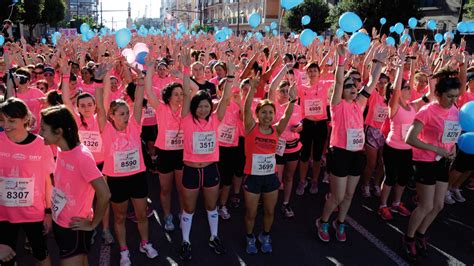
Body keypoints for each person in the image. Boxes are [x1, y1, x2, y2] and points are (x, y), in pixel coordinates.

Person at [316, 43, 387, 243]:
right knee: (337, 196)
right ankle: (323, 221)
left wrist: (379, 62)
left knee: (348, 195)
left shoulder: (360, 104)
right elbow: (339, 83)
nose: (353, 88)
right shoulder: (337, 105)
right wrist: (341, 61)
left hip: (357, 154)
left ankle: (341, 222)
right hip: (339, 153)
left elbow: (372, 82)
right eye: (349, 87)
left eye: (354, 86)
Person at [95, 64, 159, 265]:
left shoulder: (135, 125)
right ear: (111, 116)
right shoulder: (105, 128)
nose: (125, 116)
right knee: (120, 217)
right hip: (116, 180)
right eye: (120, 113)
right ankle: (124, 250)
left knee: (141, 215)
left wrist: (140, 80)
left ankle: (145, 243)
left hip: (137, 177)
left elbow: (139, 100)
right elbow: (99, 105)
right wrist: (99, 82)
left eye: (126, 112)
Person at [39, 105, 110, 266]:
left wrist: (93, 224)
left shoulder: (82, 157)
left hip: (74, 228)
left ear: (59, 132)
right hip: (60, 222)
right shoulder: (60, 149)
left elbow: (105, 194)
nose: (40, 133)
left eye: (44, 129)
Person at [179, 49, 232, 261]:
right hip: (191, 170)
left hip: (210, 169)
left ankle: (214, 236)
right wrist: (184, 69)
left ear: (210, 107)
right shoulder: (186, 119)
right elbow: (185, 92)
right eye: (199, 106)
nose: (203, 109)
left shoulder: (214, 119)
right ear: (193, 107)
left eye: (206, 106)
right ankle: (186, 240)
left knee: (212, 207)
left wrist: (231, 77)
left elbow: (226, 98)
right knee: (189, 209)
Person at [403, 76, 461, 261]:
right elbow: (410, 139)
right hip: (425, 161)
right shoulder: (427, 111)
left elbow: (452, 134)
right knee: (426, 205)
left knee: (438, 205)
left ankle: (421, 234)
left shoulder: (455, 110)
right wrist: (435, 148)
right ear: (438, 93)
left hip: (442, 161)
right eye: (449, 96)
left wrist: (451, 149)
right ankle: (408, 238)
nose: (453, 100)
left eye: (456, 96)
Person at [59, 58, 114, 245]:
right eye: (82, 106)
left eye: (89, 105)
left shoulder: (100, 118)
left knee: (102, 198)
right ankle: (88, 227)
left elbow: (104, 98)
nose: (86, 108)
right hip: (81, 167)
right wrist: (65, 76)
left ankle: (105, 229)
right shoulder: (75, 120)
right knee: (85, 200)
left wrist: (103, 78)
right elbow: (66, 100)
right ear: (78, 108)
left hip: (101, 165)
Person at [378, 46, 434, 221]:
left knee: (402, 178)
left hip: (407, 148)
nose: (410, 90)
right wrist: (401, 65)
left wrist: (430, 73)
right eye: (406, 88)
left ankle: (396, 203)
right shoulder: (393, 106)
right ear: (398, 91)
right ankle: (383, 205)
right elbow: (395, 90)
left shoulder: (413, 105)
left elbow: (431, 95)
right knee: (390, 178)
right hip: (392, 148)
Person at [243, 75, 296, 254]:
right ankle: (250, 237)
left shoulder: (277, 130)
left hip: (271, 178)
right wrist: (252, 89)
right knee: (251, 213)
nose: (267, 116)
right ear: (257, 114)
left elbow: (288, 114)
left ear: (274, 115)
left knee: (269, 211)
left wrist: (293, 99)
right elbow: (245, 110)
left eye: (270, 112)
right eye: (263, 112)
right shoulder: (251, 127)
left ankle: (265, 235)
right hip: (253, 178)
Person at [0, 97, 55, 266]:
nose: (6, 125)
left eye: (11, 120)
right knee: (5, 258)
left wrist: (48, 211)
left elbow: (48, 180)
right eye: (2, 120)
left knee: (40, 253)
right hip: (4, 214)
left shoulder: (41, 144)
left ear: (25, 119)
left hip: (33, 213)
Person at [144, 56, 184, 232]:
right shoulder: (161, 108)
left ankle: (183, 214)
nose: (180, 97)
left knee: (182, 188)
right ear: (168, 96)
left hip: (182, 152)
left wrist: (181, 76)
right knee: (165, 188)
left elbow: (194, 90)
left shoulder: (186, 108)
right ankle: (168, 216)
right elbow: (148, 91)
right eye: (176, 94)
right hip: (165, 153)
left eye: (181, 94)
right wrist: (150, 69)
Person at [268, 65, 302, 218]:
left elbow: (301, 123)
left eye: (288, 91)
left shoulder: (297, 106)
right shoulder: (273, 105)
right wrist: (284, 69)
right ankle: (271, 204)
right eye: (282, 90)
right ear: (277, 92)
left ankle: (286, 203)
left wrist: (299, 128)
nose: (285, 93)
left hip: (293, 147)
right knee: (276, 178)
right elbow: (272, 85)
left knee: (289, 177)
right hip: (277, 147)